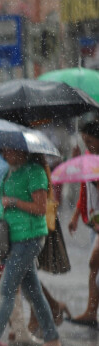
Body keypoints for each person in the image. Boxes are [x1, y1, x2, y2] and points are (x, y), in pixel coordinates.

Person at [0, 149, 63, 346]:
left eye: (8, 150)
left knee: (7, 288)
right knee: (33, 292)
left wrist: (13, 201)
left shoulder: (35, 172)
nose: (5, 154)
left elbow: (40, 207)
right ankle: (52, 338)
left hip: (28, 238)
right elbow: (9, 197)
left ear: (22, 151)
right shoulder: (10, 172)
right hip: (15, 237)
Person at [68, 121, 99, 327]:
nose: (88, 145)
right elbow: (84, 189)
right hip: (94, 223)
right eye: (84, 141)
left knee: (94, 264)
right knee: (94, 267)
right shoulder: (89, 158)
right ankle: (91, 311)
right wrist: (76, 214)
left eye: (90, 141)